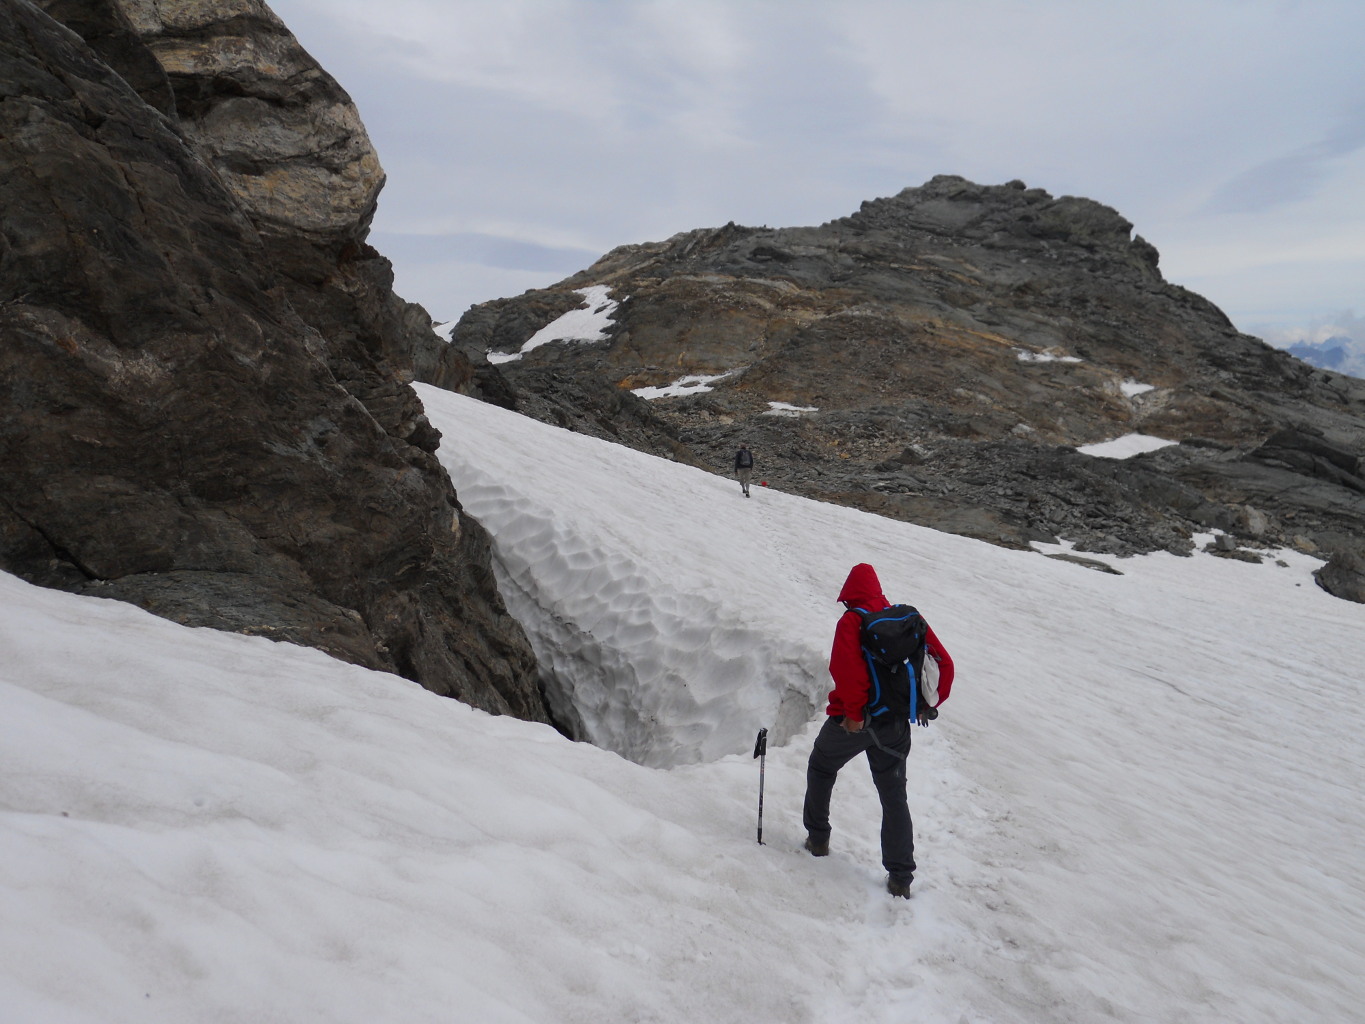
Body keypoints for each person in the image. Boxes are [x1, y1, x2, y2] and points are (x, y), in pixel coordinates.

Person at [802, 562, 954, 898]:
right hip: (895, 726)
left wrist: (855, 714)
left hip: (852, 723)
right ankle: (901, 878)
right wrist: (927, 703)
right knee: (894, 796)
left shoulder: (852, 621)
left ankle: (818, 839)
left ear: (850, 593)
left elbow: (847, 670)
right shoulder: (907, 619)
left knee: (821, 767)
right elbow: (945, 663)